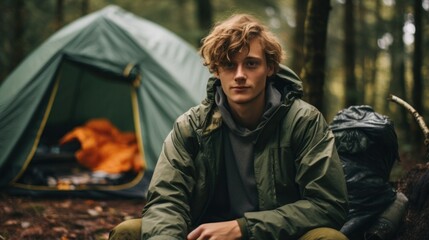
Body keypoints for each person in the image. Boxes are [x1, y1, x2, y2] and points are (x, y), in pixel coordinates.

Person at [109, 13, 349, 240]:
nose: (240, 75)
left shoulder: (303, 122)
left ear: (270, 68)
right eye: (229, 65)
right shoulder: (192, 126)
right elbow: (165, 201)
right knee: (128, 232)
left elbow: (328, 205)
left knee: (329, 238)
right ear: (216, 70)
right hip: (204, 235)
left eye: (251, 64)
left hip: (277, 235)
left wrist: (243, 228)